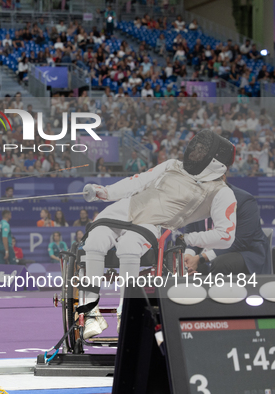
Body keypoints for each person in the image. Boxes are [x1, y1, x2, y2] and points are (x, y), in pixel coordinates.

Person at [81, 129, 237, 338]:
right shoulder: (172, 165)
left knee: (128, 247)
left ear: (215, 161)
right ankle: (91, 313)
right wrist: (105, 192)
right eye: (195, 148)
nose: (193, 153)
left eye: (201, 151)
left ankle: (125, 312)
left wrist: (188, 239)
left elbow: (226, 236)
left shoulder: (221, 192)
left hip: (154, 225)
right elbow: (138, 181)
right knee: (94, 241)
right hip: (126, 208)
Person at [184, 182, 270, 275]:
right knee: (186, 265)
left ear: (223, 177)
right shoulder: (197, 200)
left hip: (246, 252)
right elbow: (191, 232)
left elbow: (241, 242)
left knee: (221, 263)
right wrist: (189, 257)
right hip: (210, 250)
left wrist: (201, 258)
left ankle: (221, 290)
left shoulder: (244, 200)